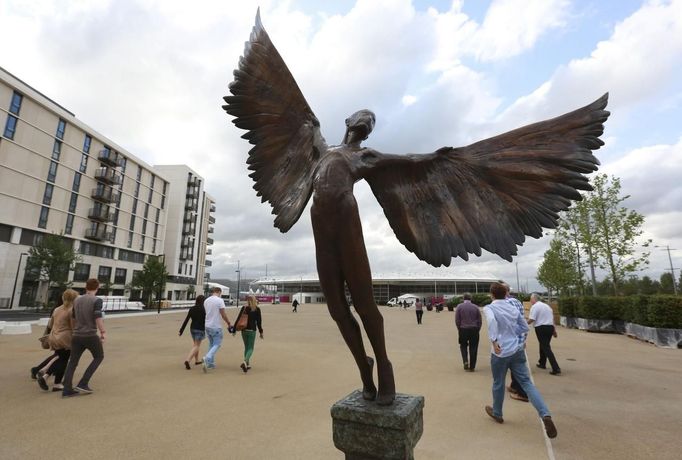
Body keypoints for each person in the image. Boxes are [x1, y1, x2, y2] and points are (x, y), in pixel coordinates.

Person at [483, 281, 557, 438]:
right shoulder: (512, 308)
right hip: (517, 350)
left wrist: (495, 339)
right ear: (506, 294)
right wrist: (511, 333)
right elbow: (524, 327)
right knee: (527, 383)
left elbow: (491, 322)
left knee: (498, 383)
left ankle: (497, 413)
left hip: (500, 352)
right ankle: (545, 414)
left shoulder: (489, 308)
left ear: (492, 295)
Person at [62, 279, 106, 397]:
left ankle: (66, 389)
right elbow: (98, 317)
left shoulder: (77, 300)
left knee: (73, 362)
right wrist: (103, 332)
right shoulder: (97, 300)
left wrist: (74, 330)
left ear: (86, 287)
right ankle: (83, 382)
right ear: (97, 288)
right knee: (98, 356)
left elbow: (73, 318)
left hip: (77, 335)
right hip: (90, 334)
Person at [36, 289, 77, 392]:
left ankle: (45, 376)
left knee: (59, 357)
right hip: (65, 338)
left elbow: (51, 324)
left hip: (54, 336)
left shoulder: (57, 309)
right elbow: (73, 327)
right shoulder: (71, 310)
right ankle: (56, 383)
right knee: (63, 360)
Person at [504, 284, 530, 403]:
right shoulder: (518, 302)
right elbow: (523, 321)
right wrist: (524, 338)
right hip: (519, 339)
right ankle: (514, 386)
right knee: (516, 366)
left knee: (517, 368)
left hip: (511, 340)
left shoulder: (505, 304)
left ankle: (523, 393)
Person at [528, 293, 561, 375]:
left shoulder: (535, 307)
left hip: (541, 328)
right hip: (549, 327)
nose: (530, 301)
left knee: (546, 347)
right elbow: (552, 319)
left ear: (534, 299)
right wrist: (554, 331)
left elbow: (532, 318)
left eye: (530, 299)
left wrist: (524, 324)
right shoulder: (547, 306)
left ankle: (556, 368)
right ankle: (542, 362)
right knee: (543, 344)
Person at [202, 286, 233, 372]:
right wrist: (229, 323)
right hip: (216, 326)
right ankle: (207, 358)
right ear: (219, 292)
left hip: (207, 325)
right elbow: (223, 314)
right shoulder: (220, 301)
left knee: (211, 344)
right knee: (217, 344)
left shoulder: (206, 300)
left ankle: (210, 364)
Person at [232, 295, 264, 373]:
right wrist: (261, 331)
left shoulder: (244, 308)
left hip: (244, 330)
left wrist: (234, 330)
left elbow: (238, 318)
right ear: (254, 300)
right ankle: (245, 361)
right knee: (251, 348)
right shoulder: (257, 309)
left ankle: (247, 364)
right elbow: (259, 322)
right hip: (252, 330)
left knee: (246, 347)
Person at [455, 293, 481, 372]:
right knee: (473, 347)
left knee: (463, 346)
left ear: (463, 298)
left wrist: (459, 328)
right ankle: (472, 366)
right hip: (474, 329)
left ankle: (465, 361)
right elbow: (479, 320)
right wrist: (478, 329)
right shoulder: (476, 307)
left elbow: (457, 320)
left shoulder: (459, 307)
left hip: (463, 329)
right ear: (471, 298)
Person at [179, 295, 206, 370]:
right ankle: (187, 360)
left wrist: (181, 330)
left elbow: (186, 320)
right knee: (196, 346)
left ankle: (197, 360)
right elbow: (206, 320)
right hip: (200, 329)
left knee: (195, 345)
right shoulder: (204, 309)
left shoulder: (192, 309)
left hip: (192, 328)